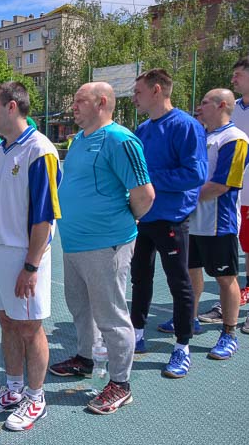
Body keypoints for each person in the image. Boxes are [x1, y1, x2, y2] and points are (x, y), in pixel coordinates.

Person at [51, 82, 155, 415]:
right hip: (75, 243)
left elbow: (145, 195)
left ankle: (121, 384)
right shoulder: (79, 140)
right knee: (79, 305)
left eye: (80, 100)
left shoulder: (120, 140)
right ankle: (84, 357)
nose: (74, 106)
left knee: (111, 314)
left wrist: (118, 226)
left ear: (102, 102)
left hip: (105, 244)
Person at [0, 81, 61, 431]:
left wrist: (31, 265)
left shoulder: (40, 150)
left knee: (29, 327)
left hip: (24, 255)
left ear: (12, 107)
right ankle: (13, 388)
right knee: (6, 322)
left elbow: (44, 215)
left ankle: (36, 396)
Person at [129, 68, 208, 378]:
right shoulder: (142, 129)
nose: (134, 97)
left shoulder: (187, 126)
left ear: (157, 90)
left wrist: (149, 181)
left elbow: (195, 175)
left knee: (179, 284)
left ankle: (182, 347)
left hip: (173, 218)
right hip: (143, 217)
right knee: (140, 277)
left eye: (139, 92)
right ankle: (136, 334)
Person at [190, 89, 248, 360]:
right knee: (191, 272)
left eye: (204, 103)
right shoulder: (202, 136)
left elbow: (223, 185)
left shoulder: (235, 139)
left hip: (218, 223)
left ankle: (229, 333)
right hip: (192, 221)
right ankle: (189, 319)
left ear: (222, 105)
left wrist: (181, 196)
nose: (199, 107)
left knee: (225, 279)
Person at [199, 56, 249, 331]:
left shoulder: (235, 137)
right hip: (230, 200)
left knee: (228, 269)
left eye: (239, 74)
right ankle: (224, 306)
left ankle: (230, 329)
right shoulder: (228, 117)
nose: (233, 79)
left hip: (227, 202)